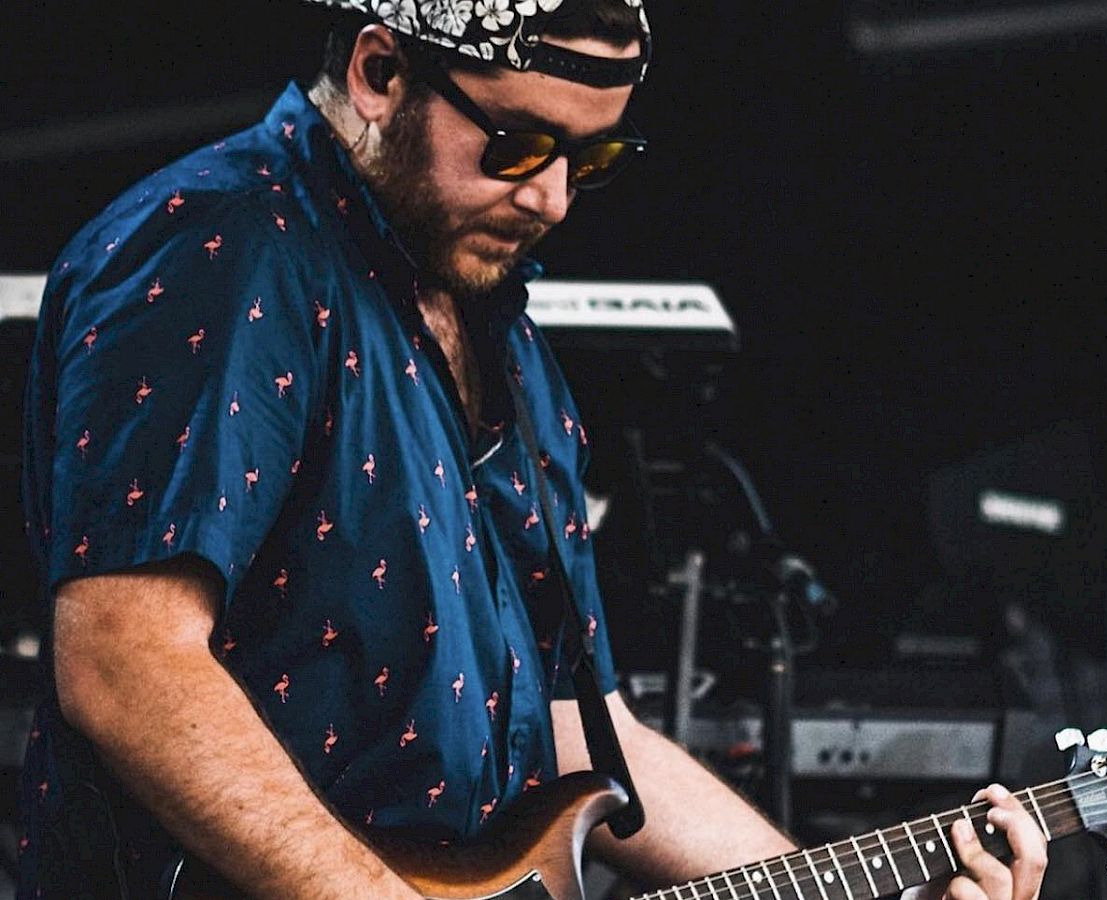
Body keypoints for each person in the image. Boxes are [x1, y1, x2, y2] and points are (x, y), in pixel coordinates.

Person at [17, 2, 1048, 898]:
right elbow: (126, 663)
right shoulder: (222, 244)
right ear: (380, 73)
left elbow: (575, 729)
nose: (552, 198)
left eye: (590, 159)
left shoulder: (501, 337)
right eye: (516, 144)